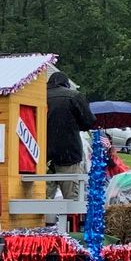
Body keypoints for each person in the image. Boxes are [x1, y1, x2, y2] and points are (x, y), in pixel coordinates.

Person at [44, 71, 96, 226]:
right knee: (71, 199)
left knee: (42, 197)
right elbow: (88, 122)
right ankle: (69, 235)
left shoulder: (39, 96)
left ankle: (40, 232)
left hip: (41, 155)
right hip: (68, 153)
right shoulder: (74, 96)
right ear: (66, 84)